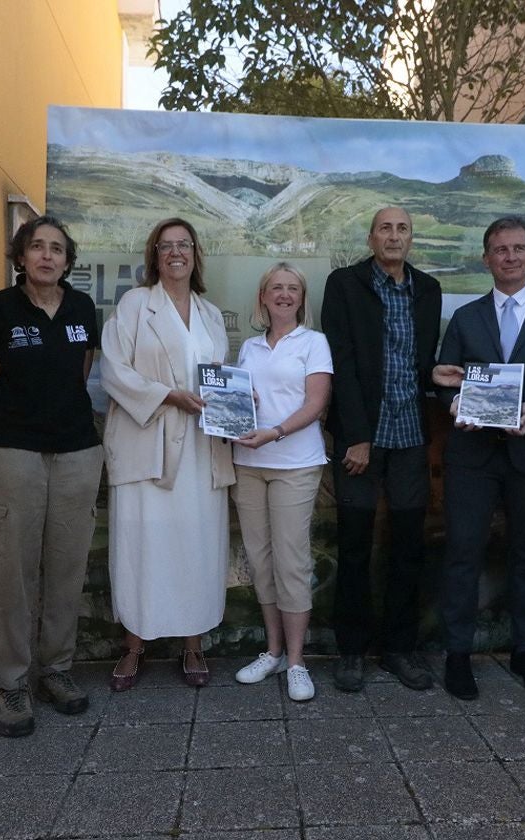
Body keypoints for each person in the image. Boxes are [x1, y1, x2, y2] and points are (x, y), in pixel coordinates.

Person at [431, 216, 525, 700]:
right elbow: (444, 380)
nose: (510, 257)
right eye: (501, 250)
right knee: (462, 552)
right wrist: (453, 402)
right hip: (472, 455)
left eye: (518, 248)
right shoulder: (466, 318)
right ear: (487, 258)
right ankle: (457, 655)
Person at [0, 215, 103, 737]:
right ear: (20, 256)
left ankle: (57, 672)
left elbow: (81, 373)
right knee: (14, 572)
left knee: (66, 569)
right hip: (17, 454)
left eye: (57, 249)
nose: (47, 255)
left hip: (77, 453)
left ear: (68, 261)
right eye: (37, 247)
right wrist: (17, 428)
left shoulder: (83, 309)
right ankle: (13, 683)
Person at [99, 217, 235, 689]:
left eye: (184, 245)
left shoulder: (212, 314)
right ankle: (134, 646)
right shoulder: (135, 305)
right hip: (147, 443)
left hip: (200, 447)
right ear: (153, 255)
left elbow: (220, 380)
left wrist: (232, 405)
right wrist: (168, 395)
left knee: (197, 544)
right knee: (142, 546)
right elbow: (114, 372)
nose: (176, 252)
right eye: (166, 245)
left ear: (196, 254)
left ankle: (193, 645)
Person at [320, 206, 441, 693]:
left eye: (403, 229)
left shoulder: (428, 290)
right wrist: (356, 435)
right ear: (371, 238)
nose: (394, 236)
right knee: (353, 546)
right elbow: (341, 363)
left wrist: (440, 376)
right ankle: (350, 652)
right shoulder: (345, 284)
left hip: (411, 436)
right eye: (385, 228)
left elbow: (423, 360)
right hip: (361, 442)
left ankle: (399, 649)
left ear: (412, 238)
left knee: (408, 548)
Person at [231, 262, 333, 702]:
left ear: (301, 299)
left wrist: (274, 431)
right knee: (260, 558)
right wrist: (238, 402)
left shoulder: (315, 343)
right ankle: (271, 651)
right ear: (263, 297)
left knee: (292, 561)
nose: (285, 294)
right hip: (247, 463)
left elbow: (315, 404)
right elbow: (237, 400)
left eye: (293, 288)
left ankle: (296, 661)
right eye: (277, 287)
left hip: (295, 462)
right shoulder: (250, 348)